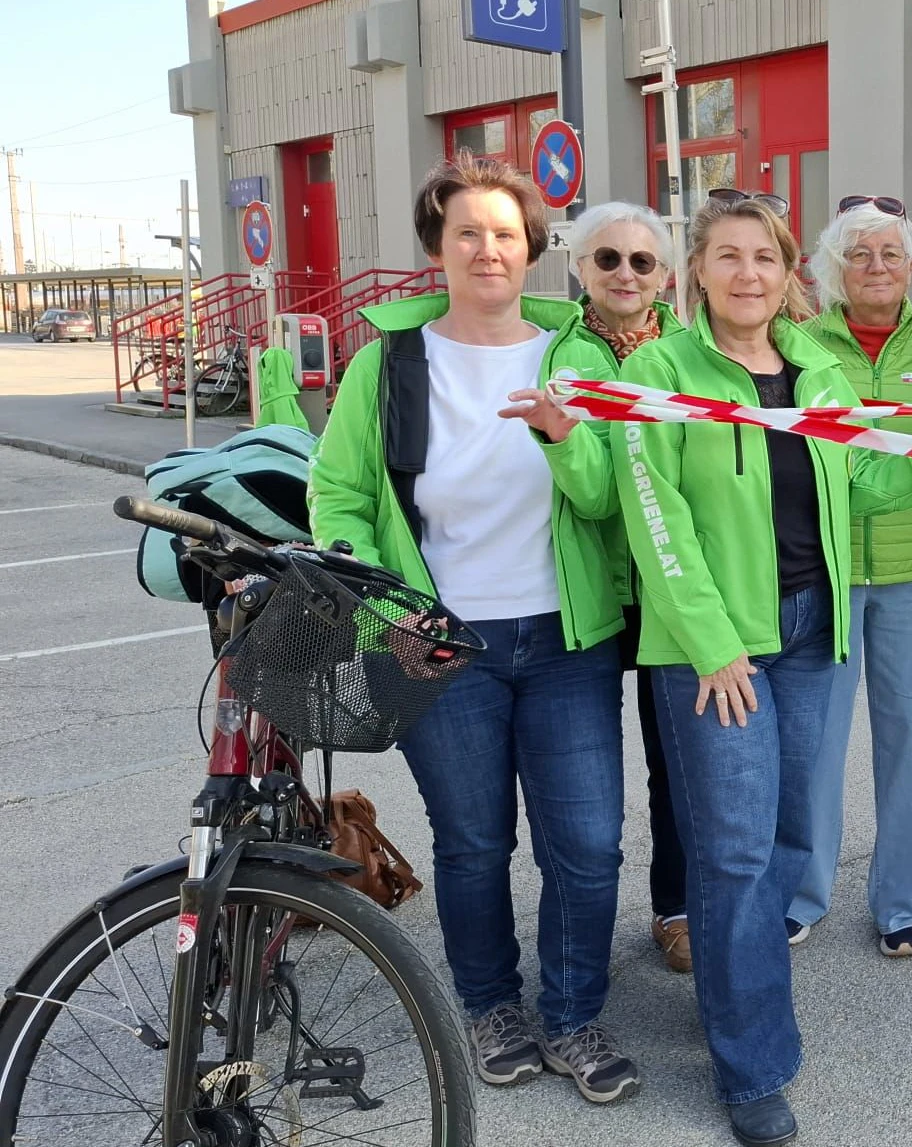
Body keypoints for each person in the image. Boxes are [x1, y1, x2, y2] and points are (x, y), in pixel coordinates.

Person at [615, 191, 912, 1145]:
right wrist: (711, 644)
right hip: (723, 643)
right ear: (696, 270)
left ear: (790, 273)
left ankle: (733, 992)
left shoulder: (818, 371)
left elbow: (866, 479)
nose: (749, 274)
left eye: (765, 258)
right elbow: (653, 517)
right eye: (729, 256)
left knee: (786, 835)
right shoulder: (662, 371)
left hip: (811, 627)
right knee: (738, 845)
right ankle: (750, 1061)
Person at [308, 154, 639, 1103]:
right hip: (438, 642)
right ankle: (490, 1003)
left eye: (504, 232)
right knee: (473, 843)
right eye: (467, 232)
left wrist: (566, 438)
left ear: (531, 246)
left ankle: (574, 1015)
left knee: (587, 842)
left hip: (566, 639)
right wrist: (378, 599)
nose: (487, 248)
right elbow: (339, 492)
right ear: (436, 248)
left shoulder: (576, 357)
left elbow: (612, 499)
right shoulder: (389, 363)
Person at [796, 196, 912, 957]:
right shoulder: (799, 347)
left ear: (910, 264)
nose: (875, 267)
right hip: (825, 571)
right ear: (835, 265)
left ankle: (903, 900)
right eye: (859, 253)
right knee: (813, 743)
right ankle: (801, 892)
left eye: (890, 253)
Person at [565, 200, 696, 977]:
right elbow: (589, 490)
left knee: (675, 759)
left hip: (668, 587)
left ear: (666, 277)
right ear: (579, 268)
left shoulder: (692, 351)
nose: (624, 273)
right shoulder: (555, 354)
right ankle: (580, 927)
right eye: (607, 258)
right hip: (586, 585)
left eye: (641, 262)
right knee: (585, 772)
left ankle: (675, 906)